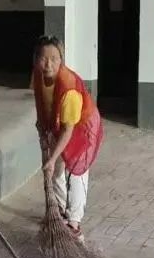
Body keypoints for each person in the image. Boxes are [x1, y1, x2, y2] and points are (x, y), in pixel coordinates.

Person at [31, 35, 103, 239]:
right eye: (43, 58)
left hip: (82, 127)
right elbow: (40, 102)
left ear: (61, 60)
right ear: (36, 60)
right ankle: (60, 211)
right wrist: (42, 129)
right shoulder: (38, 76)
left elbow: (68, 131)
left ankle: (74, 221)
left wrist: (52, 157)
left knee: (76, 171)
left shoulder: (69, 89)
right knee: (56, 171)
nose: (48, 64)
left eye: (54, 59)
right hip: (58, 125)